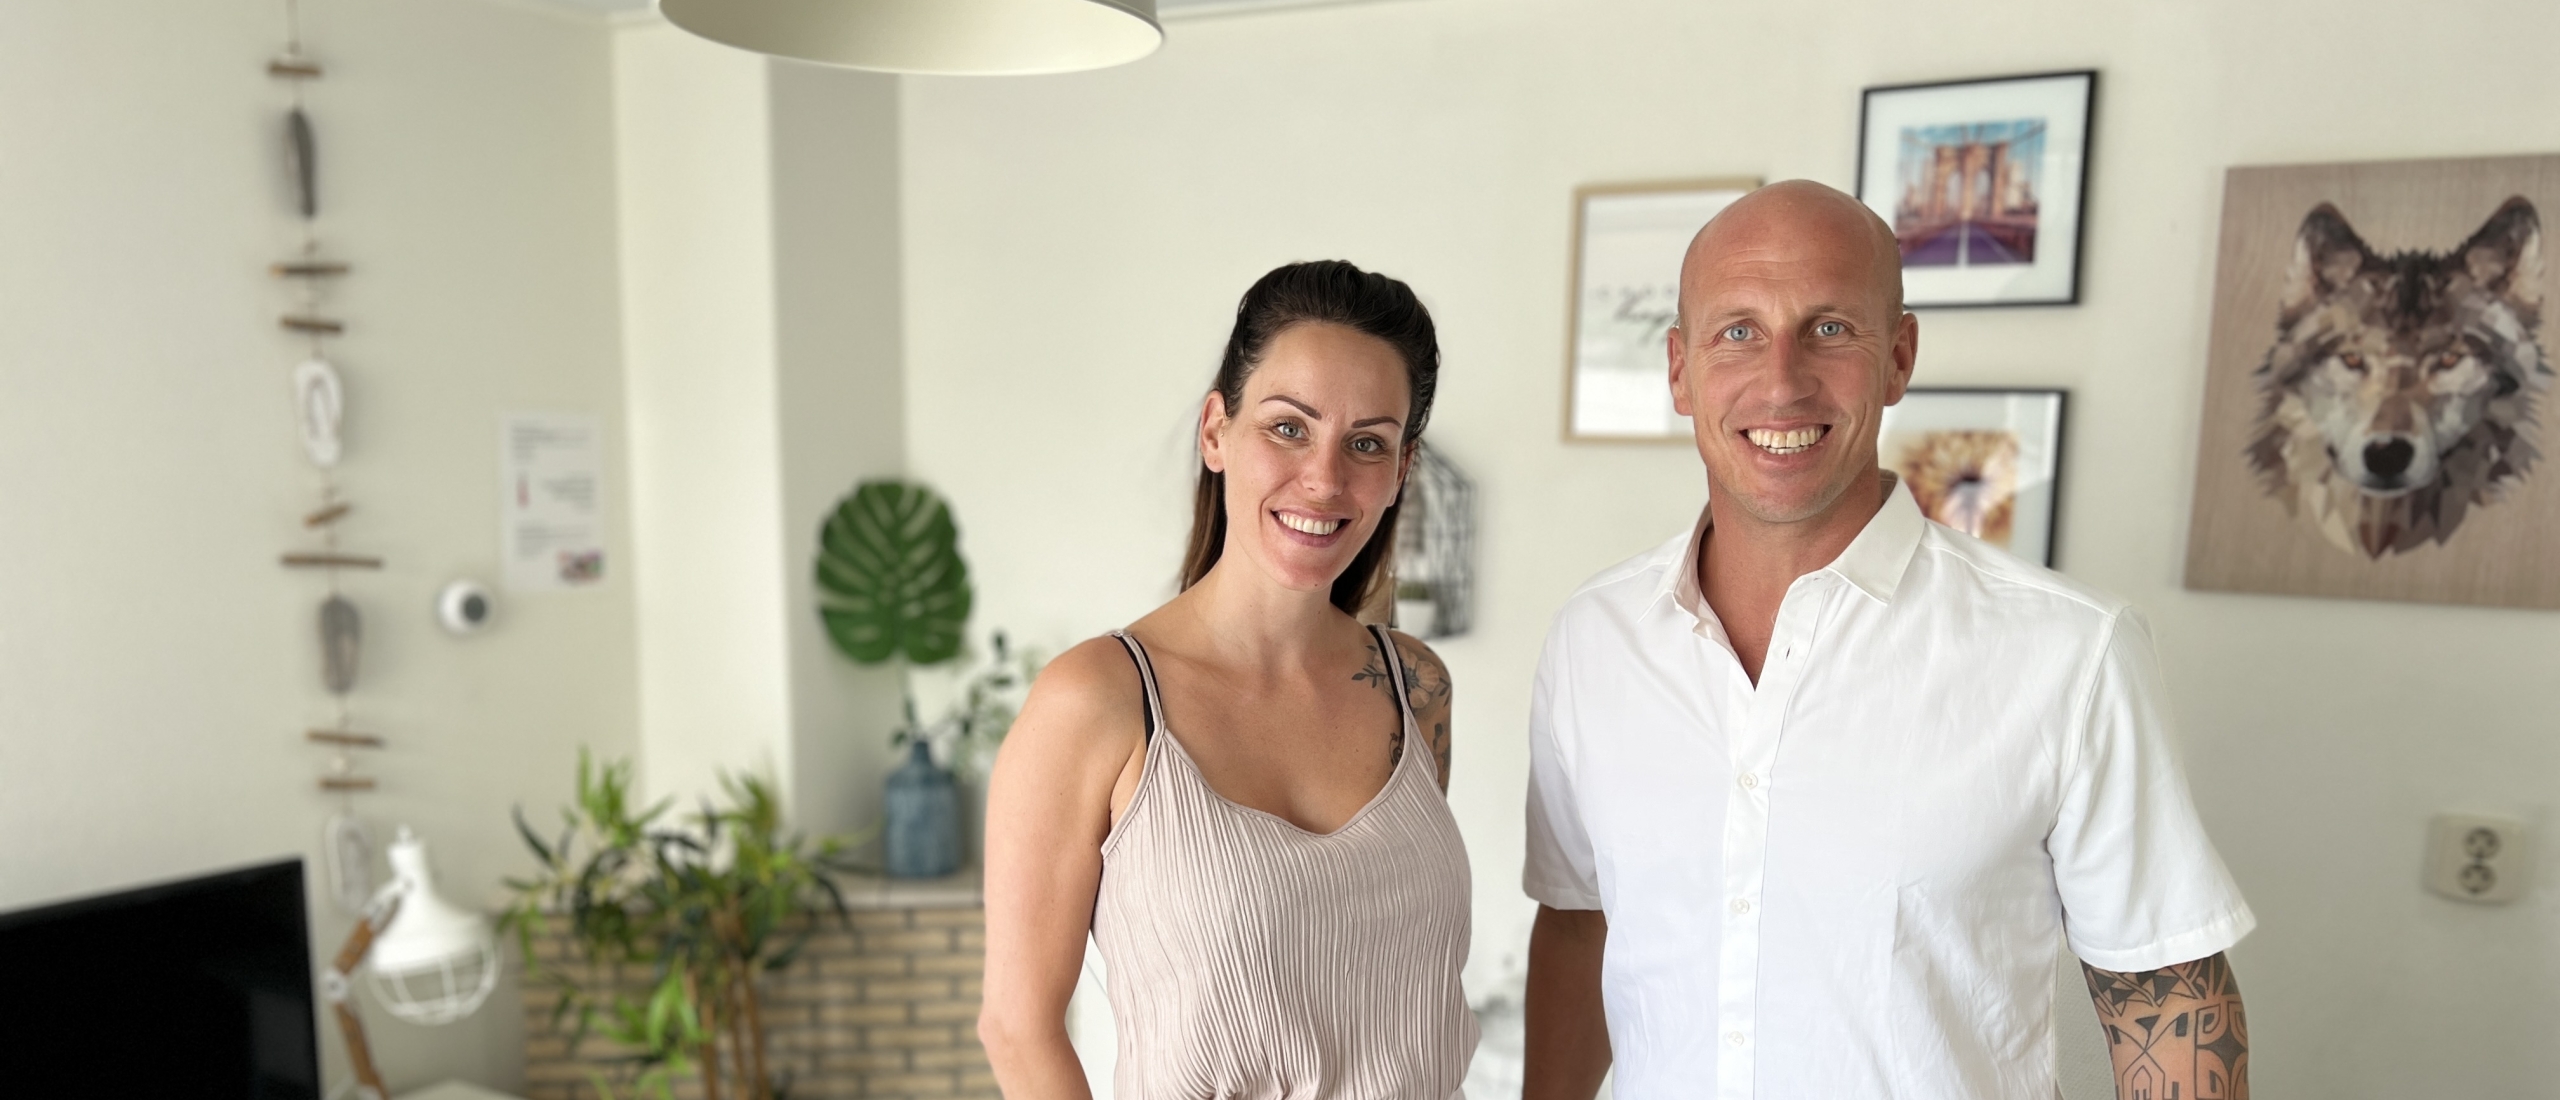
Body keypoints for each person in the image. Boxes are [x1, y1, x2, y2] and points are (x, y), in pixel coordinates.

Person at [1519, 181, 2256, 1100]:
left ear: (1899, 359)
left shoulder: (2072, 652)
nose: (1782, 380)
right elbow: (1580, 922)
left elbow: (2166, 994)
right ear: (1680, 370)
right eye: (1738, 331)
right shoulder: (1594, 639)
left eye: (1829, 329)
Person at [980, 260, 1477, 1100]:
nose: (1324, 478)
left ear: (1401, 470)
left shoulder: (1414, 685)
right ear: (1217, 431)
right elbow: (1018, 1029)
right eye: (1288, 428)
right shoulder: (1097, 700)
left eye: (1367, 443)